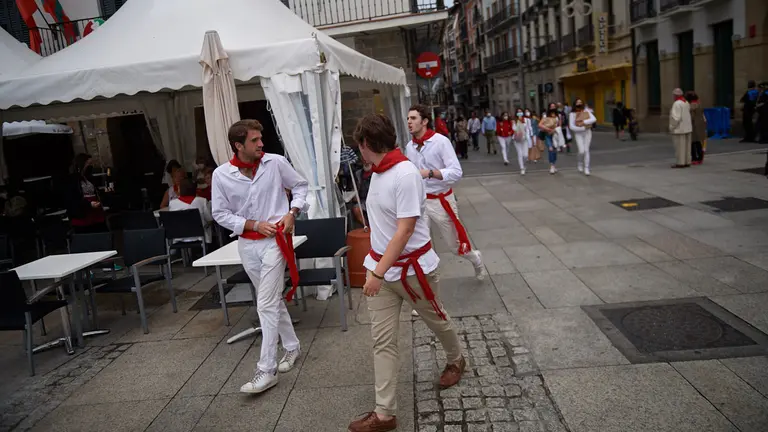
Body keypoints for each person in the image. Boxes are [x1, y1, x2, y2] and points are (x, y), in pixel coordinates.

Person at [347, 113, 465, 432]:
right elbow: (387, 224)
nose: (359, 153)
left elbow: (405, 229)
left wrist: (376, 273)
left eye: (360, 146)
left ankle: (456, 359)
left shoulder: (405, 173)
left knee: (437, 320)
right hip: (383, 271)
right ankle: (385, 414)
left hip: (412, 272)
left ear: (368, 144)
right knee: (382, 342)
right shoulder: (378, 172)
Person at [211, 119, 308, 394]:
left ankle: (266, 370)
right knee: (271, 299)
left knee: (265, 303)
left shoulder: (275, 162)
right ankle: (292, 346)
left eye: (260, 139)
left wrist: (292, 212)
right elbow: (219, 213)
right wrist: (252, 225)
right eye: (254, 141)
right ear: (238, 145)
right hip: (247, 244)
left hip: (276, 242)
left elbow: (300, 186)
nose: (261, 144)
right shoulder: (221, 175)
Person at [404, 104, 484, 281]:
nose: (409, 122)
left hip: (441, 200)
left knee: (455, 246)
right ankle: (426, 292)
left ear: (424, 121)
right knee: (419, 245)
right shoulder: (409, 146)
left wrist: (430, 173)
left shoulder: (441, 142)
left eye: (413, 118)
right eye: (408, 118)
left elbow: (456, 172)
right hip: (420, 202)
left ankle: (476, 259)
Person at [66, 153, 107, 233]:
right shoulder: (73, 180)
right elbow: (73, 198)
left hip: (96, 211)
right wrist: (89, 204)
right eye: (89, 164)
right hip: (83, 212)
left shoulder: (89, 177)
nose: (91, 166)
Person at [170, 178, 213, 244]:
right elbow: (209, 219)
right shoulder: (202, 201)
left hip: (180, 236)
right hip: (199, 237)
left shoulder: (172, 203)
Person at [569, 98, 597, 175]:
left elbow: (594, 119)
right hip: (578, 134)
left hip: (587, 133)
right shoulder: (572, 114)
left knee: (586, 150)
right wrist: (581, 128)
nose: (579, 103)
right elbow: (571, 126)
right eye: (577, 102)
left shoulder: (586, 111)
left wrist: (584, 122)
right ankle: (580, 163)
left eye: (580, 102)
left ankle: (586, 168)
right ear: (575, 104)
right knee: (581, 151)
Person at [669, 88, 693, 168]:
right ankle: (687, 161)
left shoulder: (677, 103)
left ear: (675, 95)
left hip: (679, 129)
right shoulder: (686, 102)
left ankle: (680, 162)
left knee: (680, 147)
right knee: (687, 147)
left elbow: (676, 117)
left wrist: (672, 126)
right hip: (687, 128)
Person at [685, 91, 707, 165]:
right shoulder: (699, 104)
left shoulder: (691, 105)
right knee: (699, 142)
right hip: (700, 125)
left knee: (693, 143)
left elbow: (691, 117)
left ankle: (695, 158)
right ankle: (700, 157)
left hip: (693, 126)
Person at [539, 107, 560, 174]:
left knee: (554, 151)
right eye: (552, 113)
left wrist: (554, 130)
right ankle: (552, 166)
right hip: (547, 136)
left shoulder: (557, 118)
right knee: (550, 149)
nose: (553, 114)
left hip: (555, 136)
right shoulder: (545, 118)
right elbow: (540, 125)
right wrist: (548, 129)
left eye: (554, 113)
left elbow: (559, 126)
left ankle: (554, 164)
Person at [512, 109, 528, 175]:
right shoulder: (514, 121)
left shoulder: (526, 120)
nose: (519, 113)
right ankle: (522, 168)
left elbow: (528, 129)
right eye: (518, 112)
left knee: (525, 155)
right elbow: (514, 129)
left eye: (520, 112)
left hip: (524, 139)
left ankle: (524, 165)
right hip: (517, 139)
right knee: (520, 153)